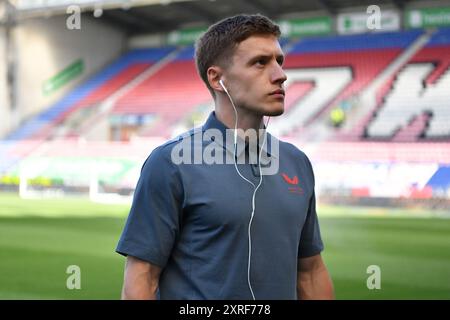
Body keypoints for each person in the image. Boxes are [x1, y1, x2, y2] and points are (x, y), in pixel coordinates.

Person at [116, 14, 334, 300]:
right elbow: (142, 278)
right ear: (217, 79)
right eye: (260, 62)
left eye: (279, 61)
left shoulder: (297, 162)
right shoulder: (171, 163)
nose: (280, 74)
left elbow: (310, 272)